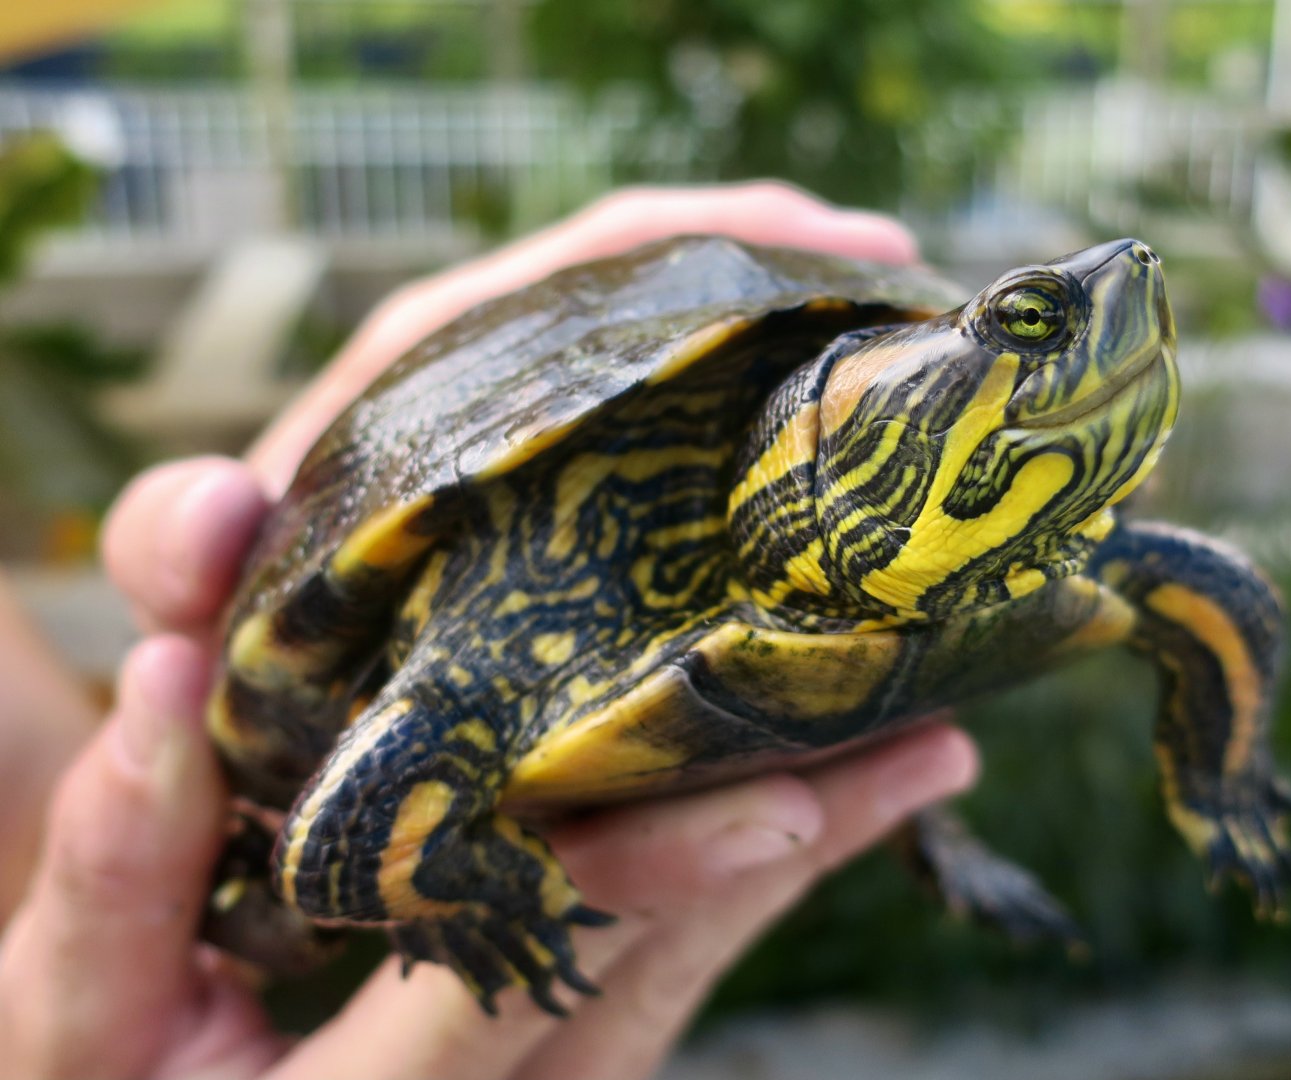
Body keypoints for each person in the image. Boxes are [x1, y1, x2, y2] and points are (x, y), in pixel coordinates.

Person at [0, 183, 980, 1080]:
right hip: (420, 722)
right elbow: (341, 843)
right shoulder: (570, 521)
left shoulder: (983, 528)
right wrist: (452, 882)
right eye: (1025, 323)